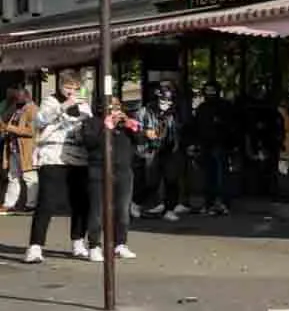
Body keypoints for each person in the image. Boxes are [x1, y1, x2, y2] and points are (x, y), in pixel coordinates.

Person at [25, 72, 91, 264]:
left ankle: (78, 242)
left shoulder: (84, 103)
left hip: (79, 157)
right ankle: (35, 246)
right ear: (61, 86)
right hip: (53, 155)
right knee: (47, 201)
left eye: (75, 88)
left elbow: (89, 124)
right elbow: (39, 121)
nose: (72, 92)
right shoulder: (50, 100)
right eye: (68, 87)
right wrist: (64, 106)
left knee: (80, 202)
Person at [82, 96, 140, 260]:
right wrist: (106, 127)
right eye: (110, 106)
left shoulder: (124, 124)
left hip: (123, 170)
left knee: (122, 210)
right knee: (98, 210)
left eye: (117, 106)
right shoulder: (92, 122)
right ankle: (94, 245)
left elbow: (141, 140)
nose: (115, 109)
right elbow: (90, 143)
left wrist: (132, 126)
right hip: (99, 170)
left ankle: (120, 244)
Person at [137, 83, 186, 220]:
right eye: (163, 100)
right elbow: (135, 128)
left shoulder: (174, 113)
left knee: (171, 179)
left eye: (169, 101)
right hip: (151, 149)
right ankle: (137, 203)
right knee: (150, 181)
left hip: (169, 149)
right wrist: (146, 132)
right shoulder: (146, 111)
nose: (166, 103)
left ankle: (169, 209)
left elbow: (179, 130)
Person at [188, 80, 238, 215]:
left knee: (221, 175)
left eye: (212, 90)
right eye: (207, 90)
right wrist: (195, 143)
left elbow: (233, 126)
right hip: (206, 145)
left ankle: (222, 203)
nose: (209, 93)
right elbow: (196, 126)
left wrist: (230, 141)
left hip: (220, 144)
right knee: (209, 176)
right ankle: (210, 202)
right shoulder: (202, 108)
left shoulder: (225, 107)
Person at [2, 85, 38, 214]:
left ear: (27, 97)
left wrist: (9, 128)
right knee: (13, 177)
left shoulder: (32, 109)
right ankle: (8, 203)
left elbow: (32, 131)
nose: (16, 100)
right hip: (14, 148)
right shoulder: (19, 109)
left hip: (26, 149)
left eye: (19, 98)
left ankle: (31, 204)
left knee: (29, 177)